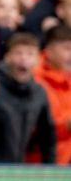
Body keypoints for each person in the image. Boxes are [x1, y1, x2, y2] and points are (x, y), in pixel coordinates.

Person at [0, 33, 56, 163]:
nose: (23, 58)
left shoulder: (39, 92)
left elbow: (47, 136)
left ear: (38, 59)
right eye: (18, 53)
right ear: (7, 57)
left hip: (19, 168)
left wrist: (50, 169)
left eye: (30, 53)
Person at [33, 25, 71, 164]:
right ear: (49, 50)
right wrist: (66, 125)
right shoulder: (34, 80)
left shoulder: (67, 75)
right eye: (67, 48)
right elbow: (34, 128)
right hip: (42, 164)